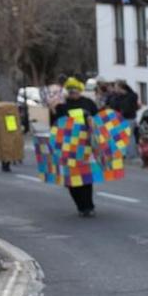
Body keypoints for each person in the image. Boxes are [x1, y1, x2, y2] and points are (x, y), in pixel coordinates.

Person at [50, 78, 101, 216]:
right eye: (71, 90)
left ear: (80, 90)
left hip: (85, 145)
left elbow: (98, 121)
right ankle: (80, 206)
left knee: (86, 178)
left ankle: (89, 206)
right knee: (72, 180)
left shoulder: (88, 103)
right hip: (68, 147)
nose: (73, 93)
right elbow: (55, 126)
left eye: (75, 90)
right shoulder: (63, 106)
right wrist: (53, 109)